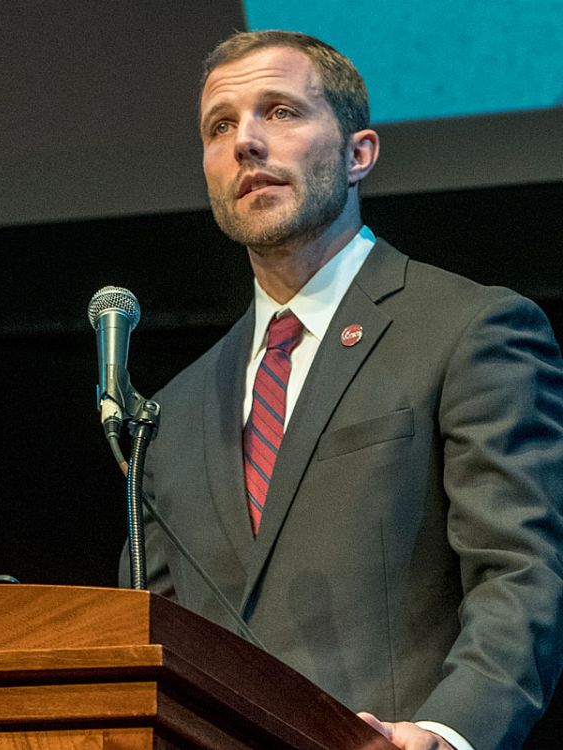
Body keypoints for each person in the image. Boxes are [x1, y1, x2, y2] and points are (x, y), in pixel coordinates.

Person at [126, 30, 563, 750]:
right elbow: (155, 648)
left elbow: (522, 574)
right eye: (220, 126)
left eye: (280, 112)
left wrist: (446, 733)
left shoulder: (467, 330)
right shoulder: (169, 413)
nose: (246, 143)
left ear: (359, 154)